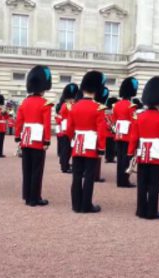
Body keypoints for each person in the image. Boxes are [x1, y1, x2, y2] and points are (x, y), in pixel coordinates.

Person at [128, 76, 159, 219]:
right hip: (157, 154)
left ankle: (141, 210)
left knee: (141, 183)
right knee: (154, 184)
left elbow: (134, 137)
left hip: (142, 153)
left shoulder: (138, 117)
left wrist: (130, 153)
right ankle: (152, 211)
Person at [66, 71, 107, 213]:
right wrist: (101, 148)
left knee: (76, 174)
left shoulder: (74, 107)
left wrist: (74, 140)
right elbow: (101, 130)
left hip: (78, 143)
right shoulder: (98, 108)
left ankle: (76, 205)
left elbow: (69, 129)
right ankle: (86, 205)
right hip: (91, 145)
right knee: (89, 175)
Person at [15, 65, 53, 207]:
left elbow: (19, 121)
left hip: (25, 139)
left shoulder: (24, 102)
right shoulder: (45, 103)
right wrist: (47, 140)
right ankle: (35, 198)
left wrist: (18, 137)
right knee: (37, 169)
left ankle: (27, 196)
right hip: (38, 140)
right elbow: (47, 124)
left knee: (27, 169)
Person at [113, 77, 139, 188]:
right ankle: (124, 180)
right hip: (128, 135)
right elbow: (134, 122)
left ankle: (119, 180)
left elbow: (114, 120)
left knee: (120, 158)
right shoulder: (131, 106)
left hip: (118, 134)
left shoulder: (116, 105)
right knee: (126, 158)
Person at [56, 83, 78, 173]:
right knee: (67, 149)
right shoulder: (69, 105)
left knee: (66, 149)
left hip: (66, 128)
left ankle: (64, 164)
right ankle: (65, 166)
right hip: (68, 129)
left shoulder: (66, 104)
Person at [93, 86, 110, 183]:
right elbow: (101, 129)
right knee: (95, 159)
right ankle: (96, 176)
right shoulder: (100, 108)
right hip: (95, 137)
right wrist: (101, 148)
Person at [104, 97, 118, 163]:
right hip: (112, 130)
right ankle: (110, 158)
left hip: (109, 130)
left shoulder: (105, 111)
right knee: (112, 145)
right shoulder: (112, 111)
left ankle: (108, 158)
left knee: (109, 146)